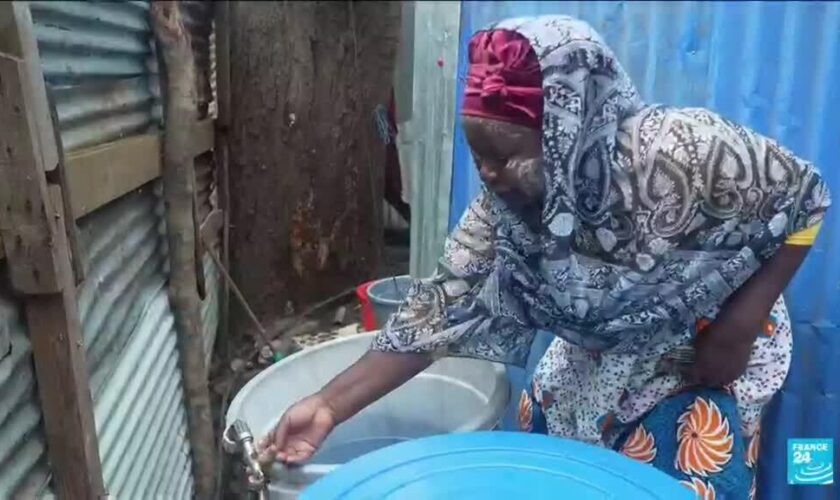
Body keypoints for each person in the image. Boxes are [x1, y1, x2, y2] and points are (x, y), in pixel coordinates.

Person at [259, 16, 831, 498]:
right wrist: (329, 407)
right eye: (475, 152)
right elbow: (434, 319)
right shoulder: (503, 216)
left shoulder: (689, 154)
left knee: (693, 471)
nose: (486, 173)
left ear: (570, 133)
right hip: (603, 346)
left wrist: (741, 322)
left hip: (709, 340)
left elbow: (807, 199)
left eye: (504, 156)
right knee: (542, 447)